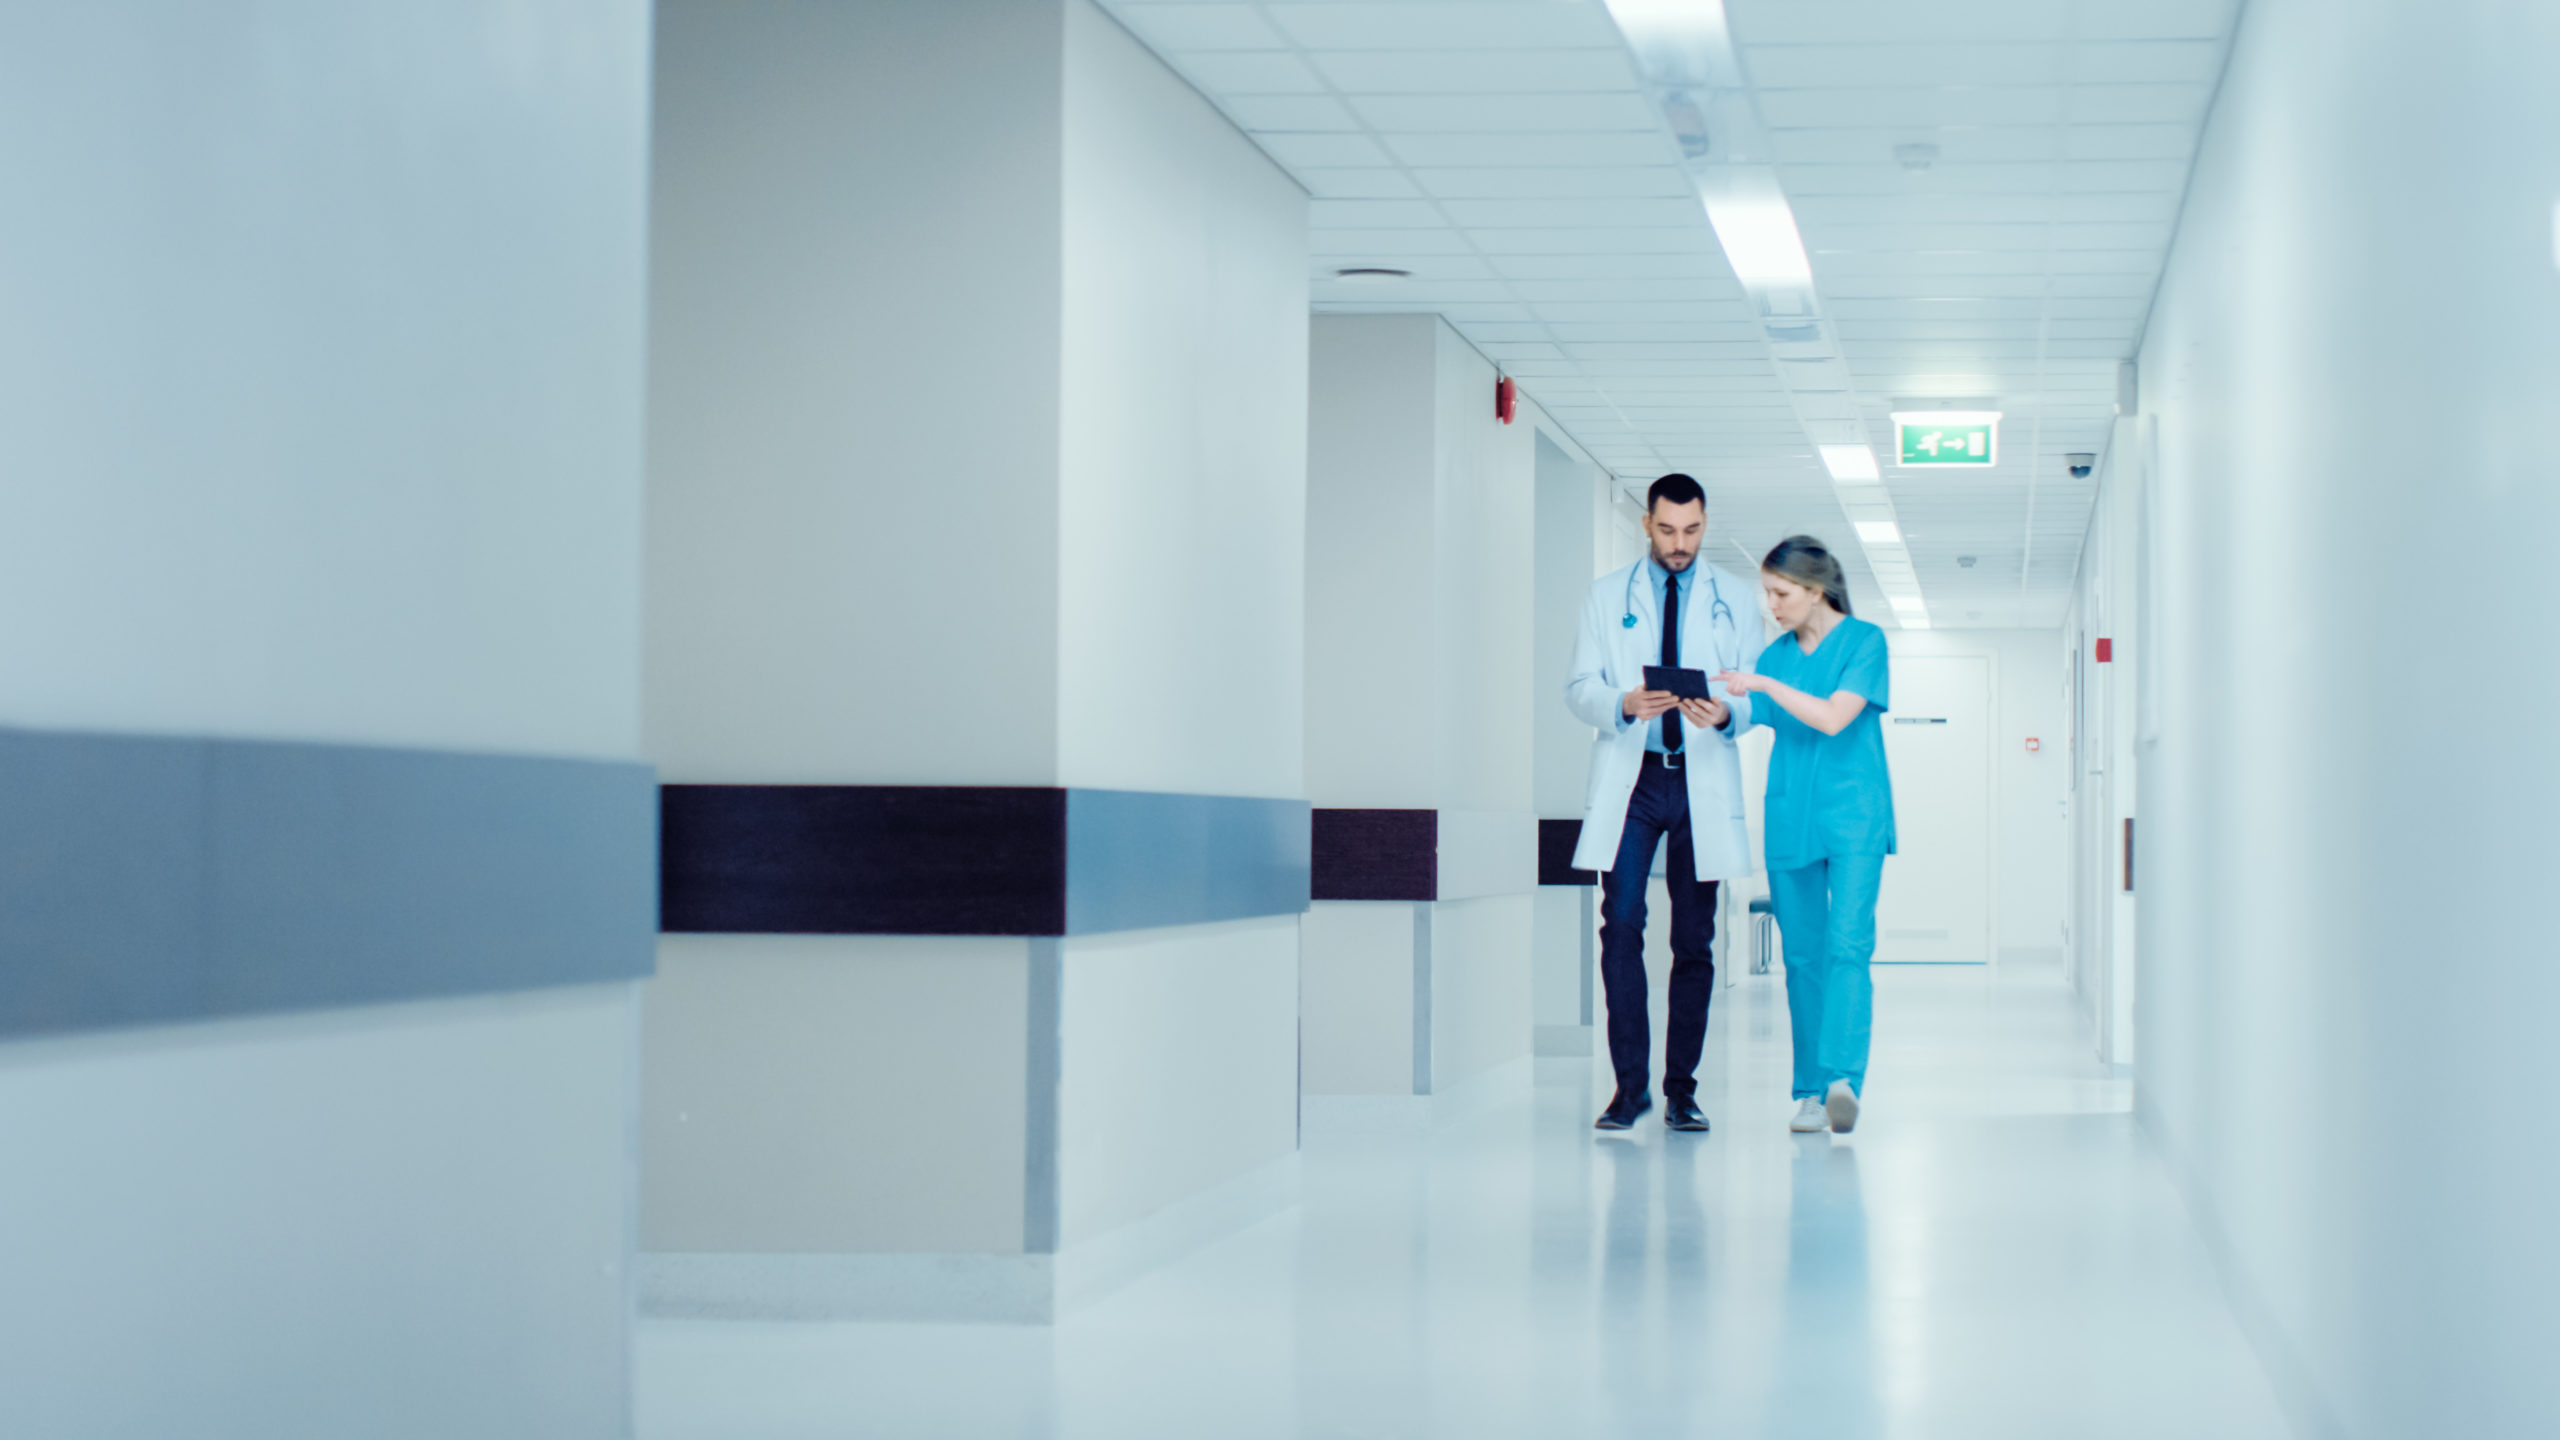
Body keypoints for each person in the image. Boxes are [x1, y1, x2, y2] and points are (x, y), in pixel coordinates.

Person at [1564, 473, 1759, 1132]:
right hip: (1635, 777)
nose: (1681, 545)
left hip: (1698, 773)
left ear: (1706, 523)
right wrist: (1620, 703)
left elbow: (1755, 692)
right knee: (1619, 925)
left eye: (1693, 531)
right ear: (1647, 523)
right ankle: (1630, 1089)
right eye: (1669, 530)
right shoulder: (1604, 596)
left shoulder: (1733, 597)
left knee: (1694, 940)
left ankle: (1682, 1090)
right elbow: (1578, 686)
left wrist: (1725, 713)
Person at [1714, 536, 1895, 1135]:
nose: (1771, 605)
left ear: (1815, 591)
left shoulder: (1864, 642)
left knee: (1847, 946)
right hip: (1792, 815)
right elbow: (1746, 720)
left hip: (1854, 816)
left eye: (1780, 592)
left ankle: (1843, 1079)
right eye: (1768, 593)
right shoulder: (1775, 656)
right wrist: (1713, 710)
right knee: (1802, 958)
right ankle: (1811, 1093)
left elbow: (1832, 716)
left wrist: (1763, 686)